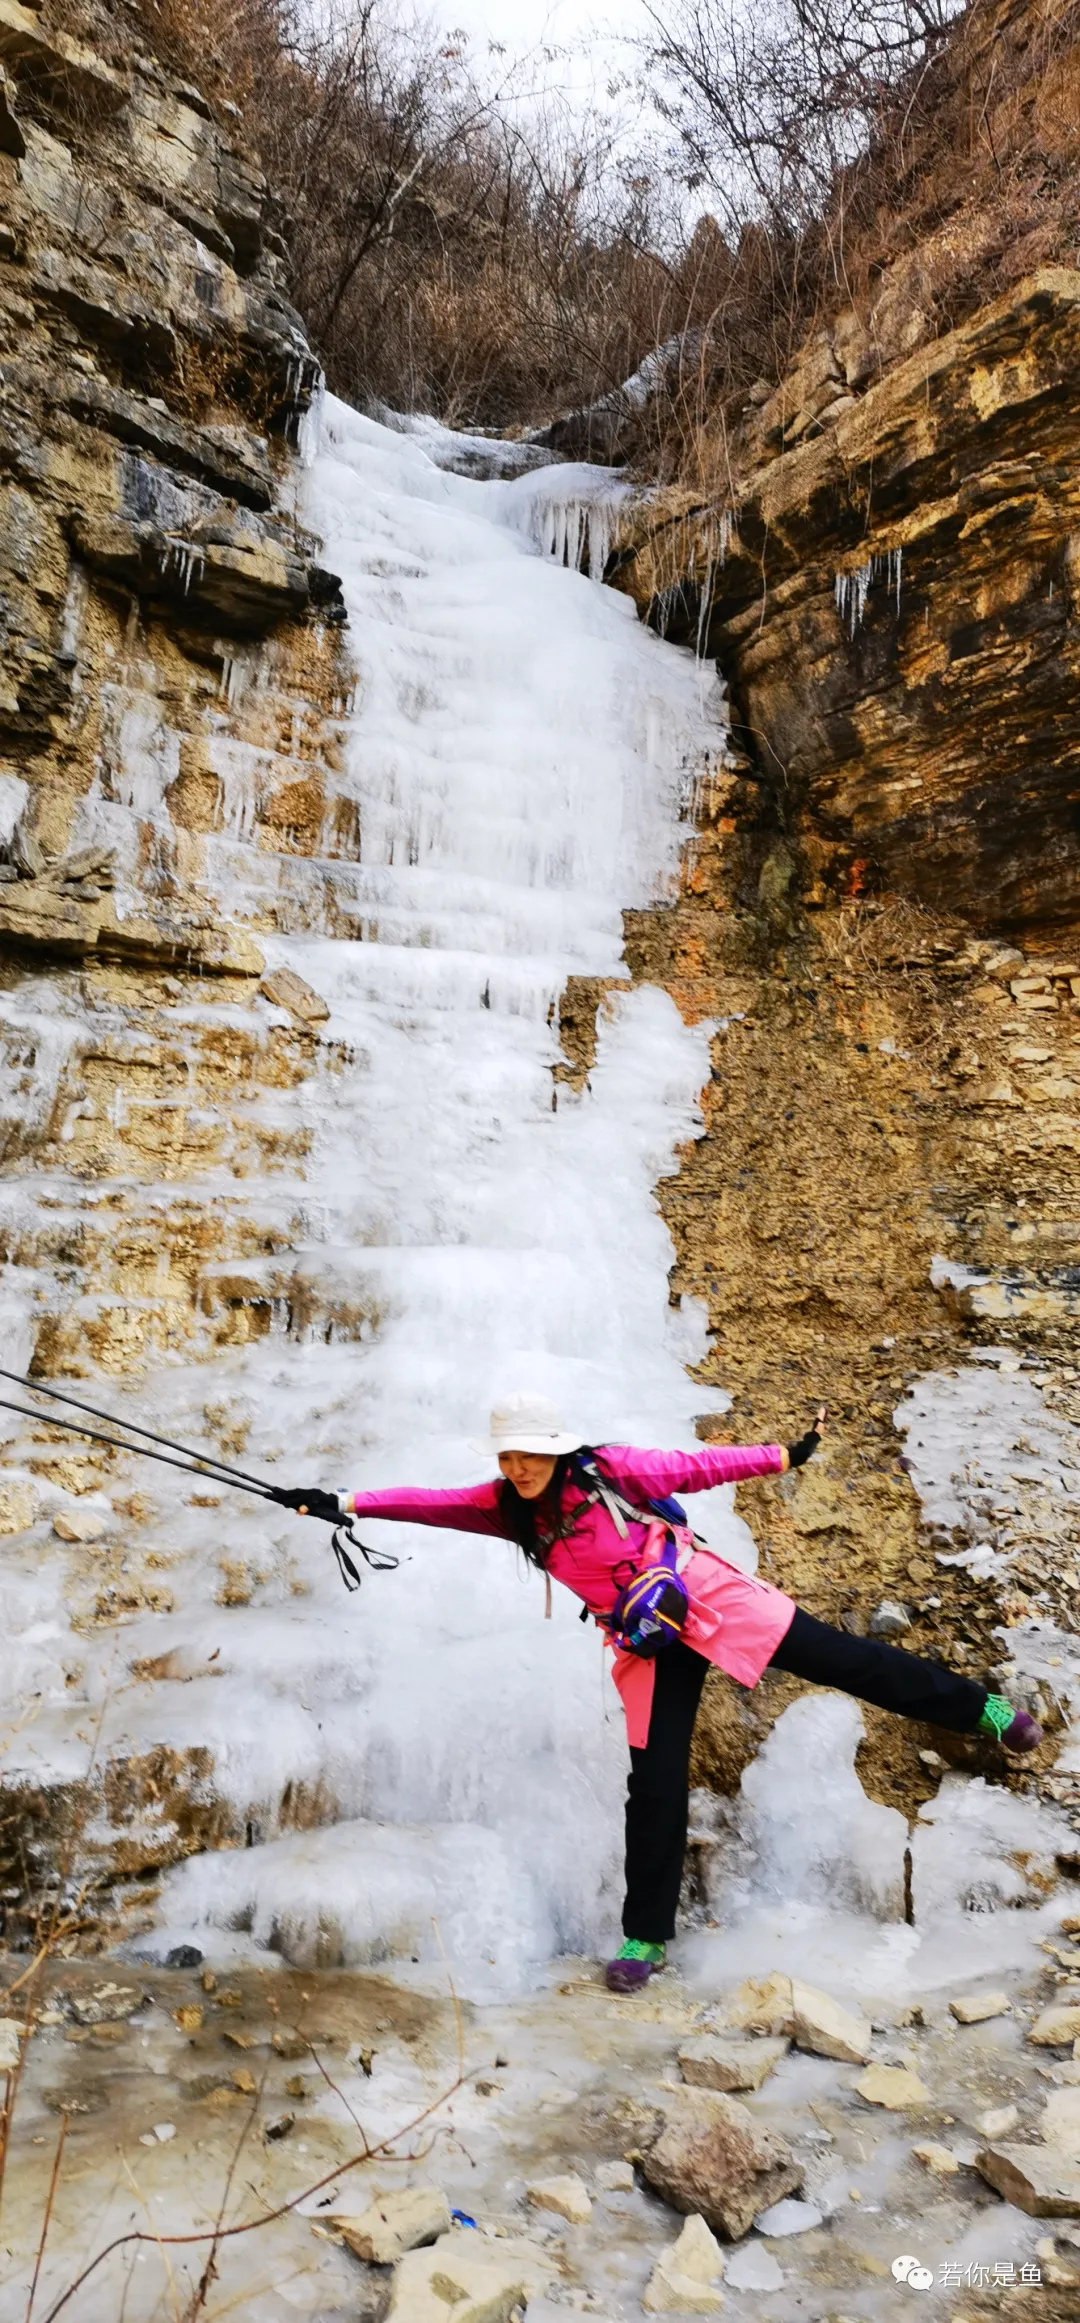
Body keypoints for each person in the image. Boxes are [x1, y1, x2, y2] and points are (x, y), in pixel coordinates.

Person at [277, 1392, 1042, 1993]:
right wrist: (341, 1501)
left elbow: (698, 1466)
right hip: (643, 1641)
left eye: (530, 1452)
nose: (518, 1466)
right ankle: (645, 1937)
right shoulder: (504, 1508)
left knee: (844, 1659)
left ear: (556, 1446)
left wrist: (785, 1454)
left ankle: (986, 1709)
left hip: (702, 1594)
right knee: (655, 1783)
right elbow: (426, 1502)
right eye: (507, 1454)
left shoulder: (610, 1469)